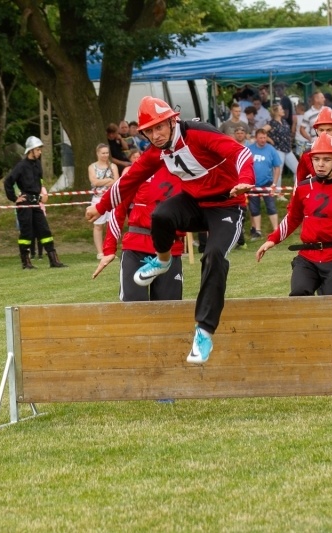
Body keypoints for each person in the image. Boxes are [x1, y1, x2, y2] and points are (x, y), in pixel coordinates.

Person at [87, 96, 255, 365]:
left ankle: (204, 331)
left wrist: (245, 180)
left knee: (213, 256)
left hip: (226, 206)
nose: (155, 135)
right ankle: (163, 261)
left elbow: (241, 153)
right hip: (194, 203)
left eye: (159, 128)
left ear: (171, 120)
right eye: (149, 131)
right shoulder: (158, 151)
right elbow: (129, 180)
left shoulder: (199, 134)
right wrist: (102, 206)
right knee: (162, 214)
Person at [256, 133, 332, 296]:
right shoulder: (302, 188)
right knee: (298, 294)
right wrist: (272, 239)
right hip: (307, 258)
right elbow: (292, 218)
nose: (320, 164)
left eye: (326, 159)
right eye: (316, 159)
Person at [93, 167, 184, 302]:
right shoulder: (140, 171)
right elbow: (118, 209)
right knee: (133, 307)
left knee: (169, 309)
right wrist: (109, 249)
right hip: (137, 249)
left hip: (171, 249)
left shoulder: (187, 171)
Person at [4, 136, 67, 269]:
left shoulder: (37, 164)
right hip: (25, 203)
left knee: (44, 230)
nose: (40, 152)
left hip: (36, 202)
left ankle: (53, 260)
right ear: (31, 150)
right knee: (26, 233)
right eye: (38, 149)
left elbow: (40, 181)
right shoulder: (20, 166)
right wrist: (14, 198)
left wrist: (42, 192)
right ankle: (26, 262)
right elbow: (8, 182)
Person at [247, 129, 281, 240]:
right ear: (256, 138)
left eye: (265, 137)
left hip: (267, 183)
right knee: (254, 208)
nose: (263, 140)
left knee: (271, 206)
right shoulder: (250, 149)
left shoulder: (271, 150)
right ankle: (257, 231)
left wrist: (274, 183)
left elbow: (277, 167)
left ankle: (276, 230)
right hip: (252, 184)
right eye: (261, 138)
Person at [88, 143, 120, 259]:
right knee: (98, 225)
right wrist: (108, 180)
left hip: (111, 199)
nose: (105, 155)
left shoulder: (113, 166)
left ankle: (110, 251)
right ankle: (100, 252)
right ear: (98, 153)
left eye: (107, 153)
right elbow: (94, 182)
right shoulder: (92, 167)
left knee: (111, 226)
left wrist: (104, 181)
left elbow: (116, 181)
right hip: (97, 199)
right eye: (103, 153)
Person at [263, 103, 297, 198]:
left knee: (298, 169)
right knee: (278, 172)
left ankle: (297, 189)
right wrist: (270, 140)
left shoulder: (284, 121)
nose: (283, 110)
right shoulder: (272, 123)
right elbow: (261, 131)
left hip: (288, 149)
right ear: (277, 112)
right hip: (278, 150)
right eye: (281, 109)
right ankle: (278, 194)